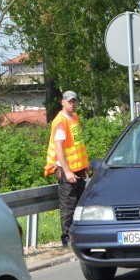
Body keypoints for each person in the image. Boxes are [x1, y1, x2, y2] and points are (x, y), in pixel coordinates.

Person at [44, 91, 89, 248]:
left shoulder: (74, 118)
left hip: (78, 170)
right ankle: (67, 238)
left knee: (79, 204)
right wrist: (68, 171)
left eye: (74, 101)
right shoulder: (61, 121)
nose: (72, 103)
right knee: (68, 205)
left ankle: (78, 236)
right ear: (63, 102)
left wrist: (84, 166)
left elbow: (76, 145)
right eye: (69, 101)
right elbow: (59, 149)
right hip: (67, 171)